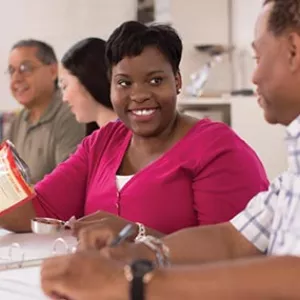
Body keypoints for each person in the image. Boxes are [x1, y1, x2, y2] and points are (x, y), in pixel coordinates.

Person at [41, 1, 300, 299]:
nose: (253, 77)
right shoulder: (291, 180)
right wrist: (135, 252)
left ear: (293, 50)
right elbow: (232, 238)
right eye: (124, 82)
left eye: (258, 57)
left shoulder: (215, 146)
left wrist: (131, 283)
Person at [0, 21, 268, 236]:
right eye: (124, 83)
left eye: (155, 80)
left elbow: (230, 253)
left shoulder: (217, 149)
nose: (139, 95)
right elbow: (38, 208)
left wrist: (135, 235)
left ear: (177, 82)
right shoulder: (103, 143)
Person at [5, 39, 85, 183]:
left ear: (53, 71)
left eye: (25, 68)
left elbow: (67, 184)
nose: (16, 78)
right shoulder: (17, 121)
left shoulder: (70, 114)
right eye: (12, 71)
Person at [59, 37, 117, 136]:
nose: (64, 98)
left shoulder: (135, 139)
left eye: (65, 86)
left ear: (87, 79)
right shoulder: (93, 142)